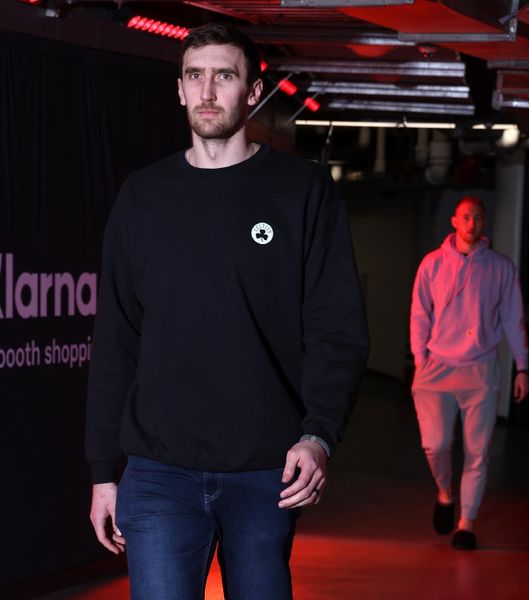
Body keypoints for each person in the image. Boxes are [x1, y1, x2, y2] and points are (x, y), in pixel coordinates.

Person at [85, 22, 369, 600]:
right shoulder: (143, 196)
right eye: (195, 75)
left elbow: (337, 327)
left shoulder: (302, 192)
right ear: (180, 90)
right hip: (159, 469)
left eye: (224, 75)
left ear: (254, 91)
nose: (208, 90)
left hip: (267, 470)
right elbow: (116, 336)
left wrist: (318, 436)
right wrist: (100, 472)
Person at [410, 195, 529, 551]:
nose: (472, 224)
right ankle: (445, 491)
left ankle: (467, 522)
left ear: (483, 223)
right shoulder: (431, 264)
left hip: (481, 368)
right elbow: (419, 313)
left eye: (478, 218)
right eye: (466, 217)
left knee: (478, 451)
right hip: (436, 367)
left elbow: (513, 319)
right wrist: (419, 360)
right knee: (435, 444)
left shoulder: (501, 267)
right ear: (454, 221)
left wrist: (522, 367)